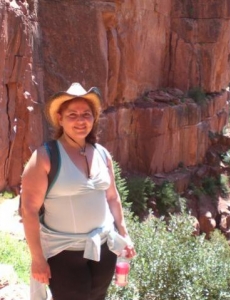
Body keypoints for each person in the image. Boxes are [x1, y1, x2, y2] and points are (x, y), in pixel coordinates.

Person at [21, 82, 136, 300]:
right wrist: (37, 258)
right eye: (72, 114)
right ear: (60, 119)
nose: (80, 120)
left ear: (94, 119)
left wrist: (124, 234)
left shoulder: (102, 154)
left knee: (98, 296)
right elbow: (29, 210)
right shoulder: (46, 157)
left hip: (104, 247)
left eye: (86, 114)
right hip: (64, 252)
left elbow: (112, 197)